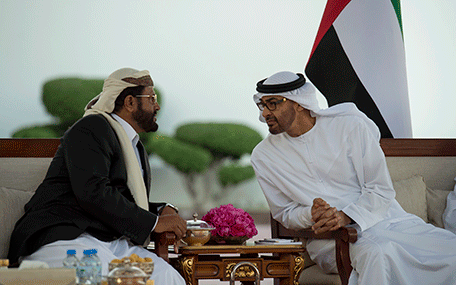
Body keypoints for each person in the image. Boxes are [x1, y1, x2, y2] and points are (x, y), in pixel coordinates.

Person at [250, 71, 456, 285]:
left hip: (386, 221)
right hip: (332, 240)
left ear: (299, 103)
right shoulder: (264, 156)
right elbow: (284, 212)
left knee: (450, 250)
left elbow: (380, 189)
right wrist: (312, 214)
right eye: (262, 105)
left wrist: (345, 215)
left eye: (273, 104)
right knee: (379, 253)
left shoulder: (349, 127)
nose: (264, 113)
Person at [8, 68, 187, 284]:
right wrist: (153, 222)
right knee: (111, 280)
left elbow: (121, 197)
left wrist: (159, 209)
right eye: (151, 98)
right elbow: (93, 192)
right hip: (67, 238)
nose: (157, 106)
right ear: (130, 102)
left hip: (109, 241)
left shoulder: (134, 145)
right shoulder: (90, 128)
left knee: (167, 277)